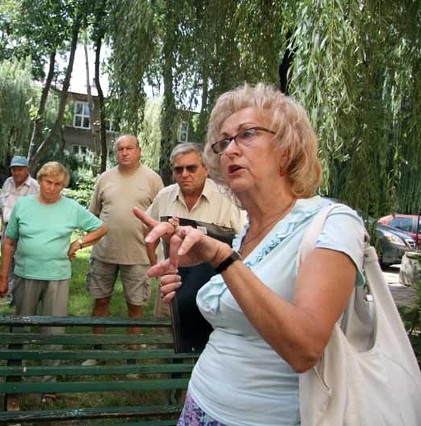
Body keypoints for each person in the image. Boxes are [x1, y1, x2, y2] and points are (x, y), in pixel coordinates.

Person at [134, 83, 365, 425]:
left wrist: (223, 259)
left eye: (247, 134)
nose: (229, 150)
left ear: (286, 149)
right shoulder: (245, 232)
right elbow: (237, 319)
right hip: (200, 405)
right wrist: (190, 277)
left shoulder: (332, 222)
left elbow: (304, 349)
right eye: (224, 142)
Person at [0, 161, 107, 403]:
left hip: (57, 276)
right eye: (48, 182)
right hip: (25, 274)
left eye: (58, 184)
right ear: (40, 180)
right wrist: (4, 277)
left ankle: (48, 384)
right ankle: (15, 379)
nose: (53, 188)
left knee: (53, 331)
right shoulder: (23, 206)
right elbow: (8, 242)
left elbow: (100, 228)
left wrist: (78, 243)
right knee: (20, 329)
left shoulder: (71, 207)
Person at [83, 134, 163, 366]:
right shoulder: (105, 178)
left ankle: (132, 358)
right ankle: (96, 354)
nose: (125, 153)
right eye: (120, 149)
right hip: (104, 252)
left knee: (135, 307)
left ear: (139, 151)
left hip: (138, 255)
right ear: (115, 152)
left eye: (129, 148)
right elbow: (93, 214)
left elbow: (161, 217)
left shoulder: (152, 179)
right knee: (100, 302)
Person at [146, 142, 244, 320]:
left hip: (213, 292)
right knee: (163, 340)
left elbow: (245, 241)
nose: (184, 174)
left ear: (206, 169)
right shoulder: (164, 197)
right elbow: (150, 232)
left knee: (207, 343)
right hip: (170, 289)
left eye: (191, 168)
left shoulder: (227, 198)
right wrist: (155, 265)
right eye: (178, 169)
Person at [0, 155, 40, 303]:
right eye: (14, 169)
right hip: (8, 227)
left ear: (27, 170)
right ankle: (9, 293)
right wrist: (1, 229)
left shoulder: (35, 186)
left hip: (24, 229)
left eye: (20, 169)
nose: (16, 173)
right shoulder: (8, 182)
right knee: (7, 263)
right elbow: (3, 207)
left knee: (20, 262)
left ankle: (19, 295)